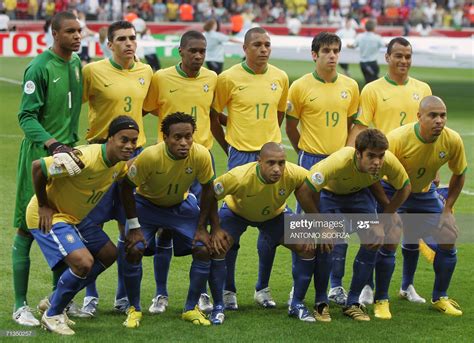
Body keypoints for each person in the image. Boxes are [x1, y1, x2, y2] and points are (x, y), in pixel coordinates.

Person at [27, 116, 139, 335]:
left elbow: (127, 181)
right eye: (124, 140)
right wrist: (43, 205)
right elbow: (38, 167)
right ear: (110, 138)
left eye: (134, 141)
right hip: (52, 215)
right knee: (83, 263)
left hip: (75, 218)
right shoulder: (83, 158)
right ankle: (53, 315)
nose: (129, 146)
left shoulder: (118, 164)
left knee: (108, 254)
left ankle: (53, 301)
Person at [142, 30, 222, 315]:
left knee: (202, 228)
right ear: (181, 51)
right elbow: (150, 108)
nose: (198, 56)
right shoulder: (161, 78)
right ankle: (160, 294)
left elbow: (213, 114)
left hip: (201, 161)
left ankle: (200, 294)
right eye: (193, 51)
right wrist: (174, 137)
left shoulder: (212, 78)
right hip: (167, 160)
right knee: (164, 229)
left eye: (202, 51)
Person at [348, 37, 432, 305]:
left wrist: (433, 168)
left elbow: (429, 131)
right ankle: (368, 287)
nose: (404, 61)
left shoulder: (423, 88)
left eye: (408, 56)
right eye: (398, 55)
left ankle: (407, 286)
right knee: (377, 233)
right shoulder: (372, 89)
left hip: (414, 174)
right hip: (381, 174)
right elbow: (361, 127)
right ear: (387, 57)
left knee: (411, 232)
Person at [12, 11, 83, 327]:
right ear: (55, 33)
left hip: (67, 162)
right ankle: (19, 305)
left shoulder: (76, 65)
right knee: (26, 228)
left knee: (61, 225)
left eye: (79, 31)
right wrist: (53, 143)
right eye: (70, 31)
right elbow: (26, 117)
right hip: (40, 158)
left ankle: (58, 303)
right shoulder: (39, 67)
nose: (77, 36)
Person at [212, 27, 289, 310]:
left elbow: (279, 112)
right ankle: (229, 290)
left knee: (271, 219)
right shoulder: (228, 78)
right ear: (245, 48)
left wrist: (270, 146)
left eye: (267, 44)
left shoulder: (280, 77)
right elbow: (213, 115)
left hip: (272, 159)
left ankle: (263, 288)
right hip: (240, 157)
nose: (263, 49)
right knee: (234, 224)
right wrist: (229, 147)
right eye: (257, 44)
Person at [202, 142, 322, 324]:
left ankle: (296, 304)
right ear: (259, 161)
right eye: (271, 163)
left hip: (274, 215)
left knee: (307, 246)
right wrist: (215, 228)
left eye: (281, 163)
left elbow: (312, 186)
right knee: (218, 247)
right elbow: (210, 194)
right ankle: (219, 305)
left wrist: (316, 223)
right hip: (236, 213)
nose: (277, 169)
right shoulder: (239, 175)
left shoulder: (293, 172)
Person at [301, 129, 411, 321]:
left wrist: (385, 217)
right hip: (330, 196)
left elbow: (405, 187)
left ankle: (353, 302)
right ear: (358, 153)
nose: (377, 162)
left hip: (359, 196)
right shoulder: (339, 160)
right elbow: (304, 190)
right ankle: (321, 302)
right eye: (371, 156)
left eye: (380, 156)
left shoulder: (389, 161)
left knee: (374, 240)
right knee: (327, 241)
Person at [81, 20, 153, 314]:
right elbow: (75, 105)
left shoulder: (146, 71)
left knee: (133, 231)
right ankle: (89, 295)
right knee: (88, 228)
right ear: (109, 44)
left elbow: (147, 107)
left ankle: (125, 298)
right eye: (121, 39)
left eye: (132, 38)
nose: (128, 43)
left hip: (134, 157)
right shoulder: (92, 71)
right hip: (100, 156)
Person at [120, 112, 216, 327]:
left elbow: (209, 190)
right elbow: (126, 188)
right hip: (146, 206)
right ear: (165, 137)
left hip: (180, 206)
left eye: (188, 137)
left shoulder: (200, 155)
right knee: (134, 249)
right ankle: (134, 308)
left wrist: (203, 227)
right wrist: (134, 226)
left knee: (203, 247)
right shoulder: (150, 156)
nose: (184, 143)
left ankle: (191, 308)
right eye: (177, 137)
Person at [285, 31, 359, 310]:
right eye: (326, 50)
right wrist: (304, 151)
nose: (332, 56)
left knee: (338, 228)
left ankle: (335, 285)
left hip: (339, 164)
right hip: (310, 162)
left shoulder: (350, 86)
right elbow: (291, 127)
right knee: (304, 229)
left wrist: (345, 154)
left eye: (336, 51)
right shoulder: (300, 86)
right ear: (314, 54)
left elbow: (353, 124)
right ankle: (298, 285)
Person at [384, 96, 466, 316]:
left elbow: (459, 173)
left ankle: (440, 297)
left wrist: (447, 210)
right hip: (393, 190)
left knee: (448, 237)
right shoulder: (398, 138)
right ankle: (377, 296)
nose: (439, 120)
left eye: (443, 115)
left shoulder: (452, 140)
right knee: (384, 238)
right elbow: (376, 175)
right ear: (419, 117)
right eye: (433, 115)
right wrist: (387, 210)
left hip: (425, 193)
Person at [347, 19, 385, 84]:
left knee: (368, 81)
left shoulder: (360, 36)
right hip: (373, 63)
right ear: (374, 28)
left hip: (363, 63)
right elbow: (384, 45)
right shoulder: (377, 37)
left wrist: (348, 45)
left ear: (365, 27)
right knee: (374, 81)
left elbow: (353, 46)